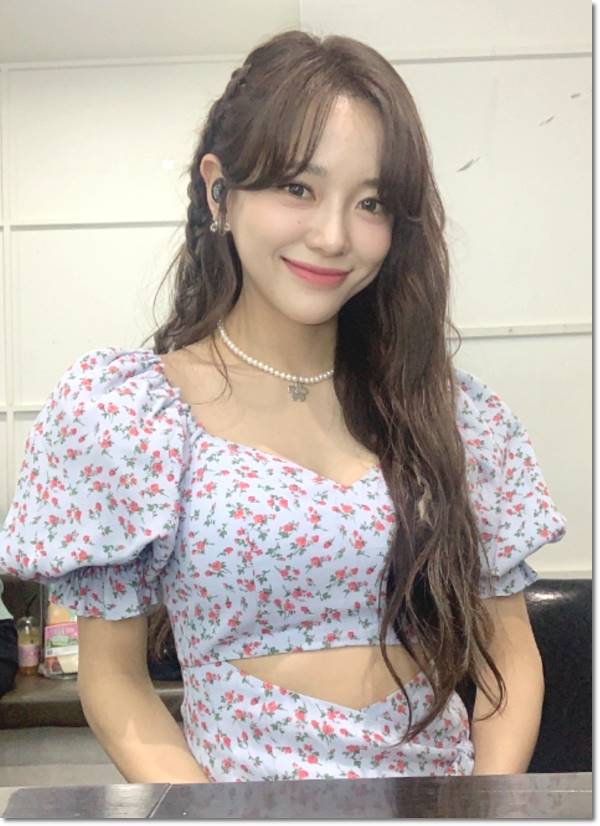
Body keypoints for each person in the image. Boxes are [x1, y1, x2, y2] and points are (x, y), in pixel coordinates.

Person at [0, 29, 567, 784]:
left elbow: (510, 656)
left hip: (440, 801)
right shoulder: (130, 417)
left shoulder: (451, 415)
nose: (333, 236)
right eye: (298, 188)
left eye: (370, 203)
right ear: (218, 191)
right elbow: (115, 682)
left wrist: (484, 810)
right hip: (239, 800)